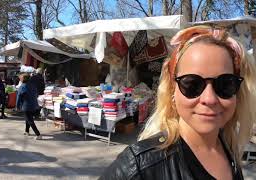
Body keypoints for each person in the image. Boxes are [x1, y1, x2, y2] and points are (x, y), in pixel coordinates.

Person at [99, 26, 256, 180]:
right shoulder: (139, 167)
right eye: (192, 85)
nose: (209, 99)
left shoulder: (229, 148)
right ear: (172, 91)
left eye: (225, 85)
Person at [16, 73, 43, 140]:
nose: (20, 79)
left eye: (20, 78)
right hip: (33, 104)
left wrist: (17, 106)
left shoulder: (22, 87)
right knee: (28, 118)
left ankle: (38, 134)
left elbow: (18, 97)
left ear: (23, 79)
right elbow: (36, 94)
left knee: (30, 120)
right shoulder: (32, 85)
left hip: (26, 105)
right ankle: (27, 131)